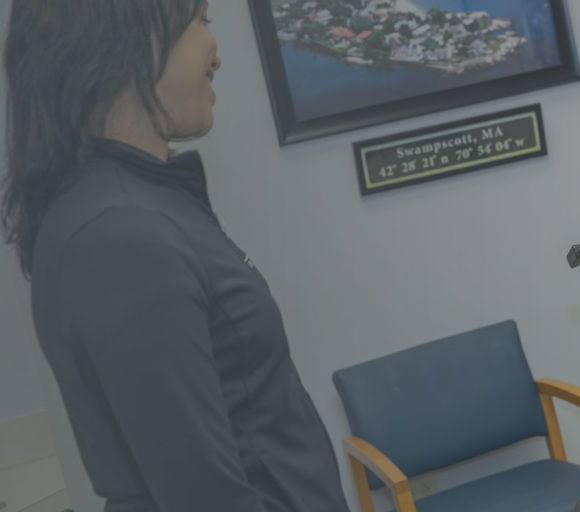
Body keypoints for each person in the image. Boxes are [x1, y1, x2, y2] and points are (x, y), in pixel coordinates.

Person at [1, 1, 350, 510]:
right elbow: (204, 499)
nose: (216, 53)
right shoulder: (117, 238)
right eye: (201, 21)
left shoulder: (134, 204)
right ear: (131, 41)